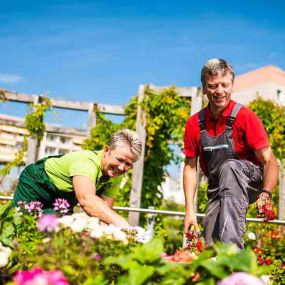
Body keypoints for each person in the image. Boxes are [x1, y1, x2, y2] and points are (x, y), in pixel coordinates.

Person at [183, 58, 279, 249]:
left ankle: (233, 253)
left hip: (251, 182)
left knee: (230, 166)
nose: (219, 91)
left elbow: (270, 161)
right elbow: (190, 168)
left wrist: (266, 194)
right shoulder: (194, 124)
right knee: (211, 245)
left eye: (224, 85)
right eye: (213, 86)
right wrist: (189, 211)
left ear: (232, 85)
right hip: (218, 188)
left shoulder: (245, 117)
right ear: (204, 88)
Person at [13, 129, 142, 228]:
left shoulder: (114, 175)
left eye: (128, 164)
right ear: (107, 150)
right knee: (21, 225)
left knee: (59, 234)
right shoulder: (86, 163)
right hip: (37, 183)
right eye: (119, 159)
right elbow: (87, 201)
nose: (121, 167)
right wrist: (125, 226)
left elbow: (104, 212)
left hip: (63, 197)